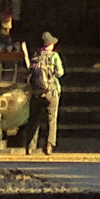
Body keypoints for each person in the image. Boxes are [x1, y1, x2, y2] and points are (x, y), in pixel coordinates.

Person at [31, 27, 63, 156]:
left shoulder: (36, 56)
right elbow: (60, 73)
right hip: (52, 90)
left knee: (35, 118)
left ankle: (31, 146)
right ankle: (49, 145)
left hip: (37, 91)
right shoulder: (54, 56)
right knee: (51, 119)